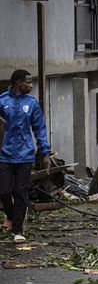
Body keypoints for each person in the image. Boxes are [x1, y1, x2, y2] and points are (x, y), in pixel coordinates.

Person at [0, 69, 51, 244]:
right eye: (28, 82)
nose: (31, 85)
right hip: (4, 155)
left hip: (25, 155)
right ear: (18, 83)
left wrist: (45, 152)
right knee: (4, 191)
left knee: (20, 192)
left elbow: (40, 128)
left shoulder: (32, 103)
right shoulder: (2, 101)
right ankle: (12, 217)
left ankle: (18, 230)